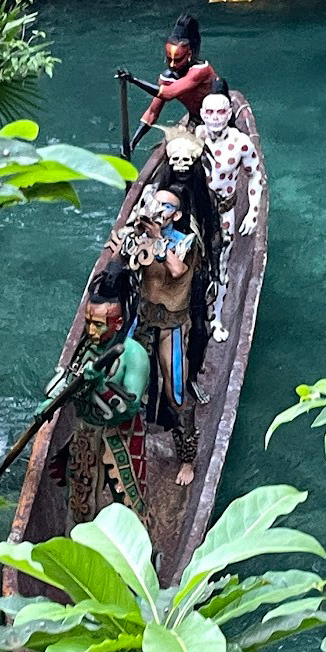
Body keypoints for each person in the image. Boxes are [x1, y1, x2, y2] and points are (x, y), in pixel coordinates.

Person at [46, 260, 149, 524]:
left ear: (118, 323)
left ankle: (140, 556)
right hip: (87, 432)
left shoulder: (134, 355)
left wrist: (101, 386)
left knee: (129, 502)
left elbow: (131, 406)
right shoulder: (86, 348)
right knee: (79, 504)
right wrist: (49, 404)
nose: (91, 331)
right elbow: (69, 380)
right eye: (88, 322)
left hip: (122, 438)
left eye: (99, 325)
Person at [115, 186, 199, 487]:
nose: (158, 210)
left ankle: (188, 458)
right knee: (123, 379)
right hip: (143, 317)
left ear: (175, 214)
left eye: (165, 206)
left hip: (171, 325)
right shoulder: (143, 234)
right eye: (155, 203)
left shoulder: (184, 242)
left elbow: (177, 270)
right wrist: (128, 235)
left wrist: (158, 240)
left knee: (174, 392)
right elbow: (116, 258)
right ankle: (124, 442)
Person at [153, 126, 220, 403]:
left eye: (187, 163)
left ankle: (190, 378)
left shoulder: (202, 197)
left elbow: (213, 230)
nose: (181, 168)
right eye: (176, 162)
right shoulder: (158, 201)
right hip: (161, 272)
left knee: (200, 328)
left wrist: (215, 272)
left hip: (195, 266)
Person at [196, 81, 263, 343]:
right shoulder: (194, 139)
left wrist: (252, 213)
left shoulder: (241, 143)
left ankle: (217, 318)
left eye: (220, 112)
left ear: (229, 115)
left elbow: (256, 176)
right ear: (202, 114)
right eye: (210, 113)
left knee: (222, 265)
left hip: (224, 212)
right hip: (196, 211)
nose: (215, 118)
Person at [117, 15, 224, 150]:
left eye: (178, 60)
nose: (172, 65)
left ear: (189, 54)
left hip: (219, 122)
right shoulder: (167, 78)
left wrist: (134, 80)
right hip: (196, 121)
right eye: (169, 59)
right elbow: (152, 113)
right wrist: (132, 143)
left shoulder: (201, 70)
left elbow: (167, 94)